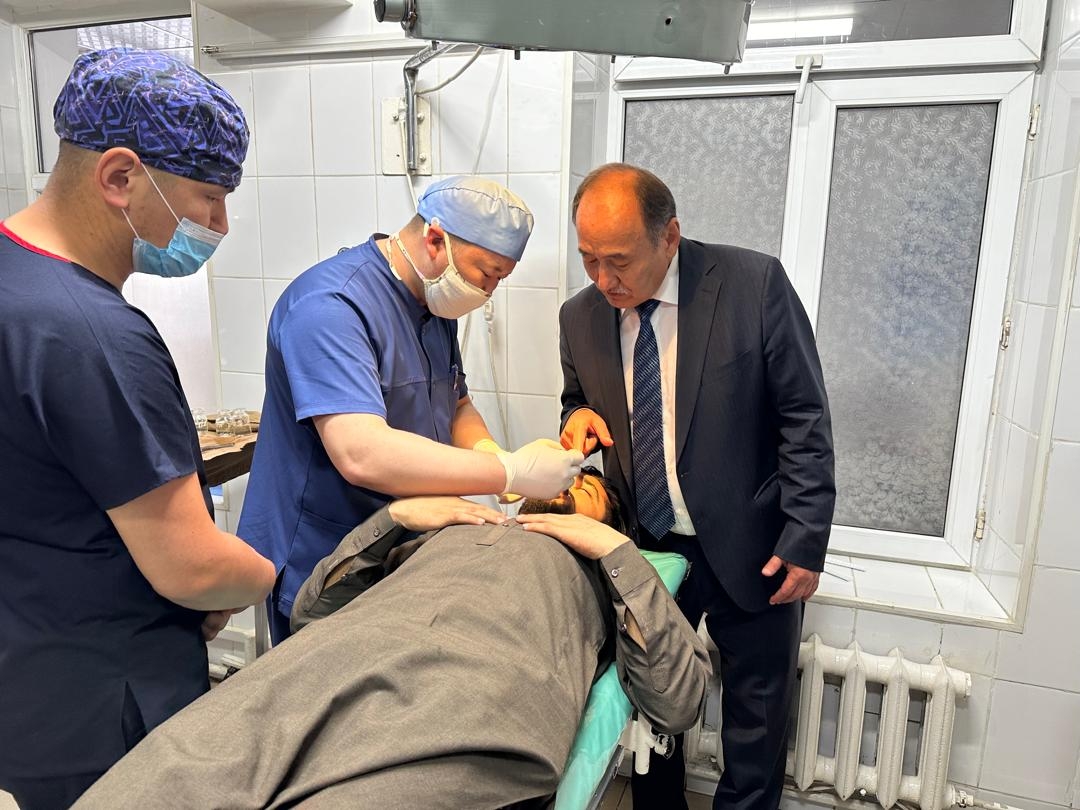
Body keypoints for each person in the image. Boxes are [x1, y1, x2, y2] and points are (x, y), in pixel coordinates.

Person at [73, 470, 712, 809]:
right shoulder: (452, 527)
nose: (566, 489)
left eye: (586, 491)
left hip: (469, 703)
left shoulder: (604, 574)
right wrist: (396, 518)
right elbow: (312, 612)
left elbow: (677, 702)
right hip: (322, 665)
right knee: (163, 779)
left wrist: (614, 552)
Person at [0, 48, 276, 810]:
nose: (220, 225)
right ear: (120, 177)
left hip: (28, 685)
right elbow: (190, 568)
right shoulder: (93, 335)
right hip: (108, 711)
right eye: (209, 198)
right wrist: (261, 574)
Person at [559, 163, 835, 809]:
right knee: (654, 709)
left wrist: (805, 536)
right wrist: (577, 418)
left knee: (757, 720)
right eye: (589, 259)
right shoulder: (579, 316)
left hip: (754, 542)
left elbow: (803, 415)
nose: (603, 279)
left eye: (619, 260)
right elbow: (577, 400)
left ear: (670, 236)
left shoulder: (752, 284)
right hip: (648, 547)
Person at [239, 175, 584, 643]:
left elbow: (456, 403)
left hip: (400, 548)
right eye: (487, 273)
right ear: (435, 240)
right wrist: (509, 473)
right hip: (325, 554)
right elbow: (361, 452)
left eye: (501, 279)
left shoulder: (433, 304)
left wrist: (489, 451)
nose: (488, 291)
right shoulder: (330, 307)